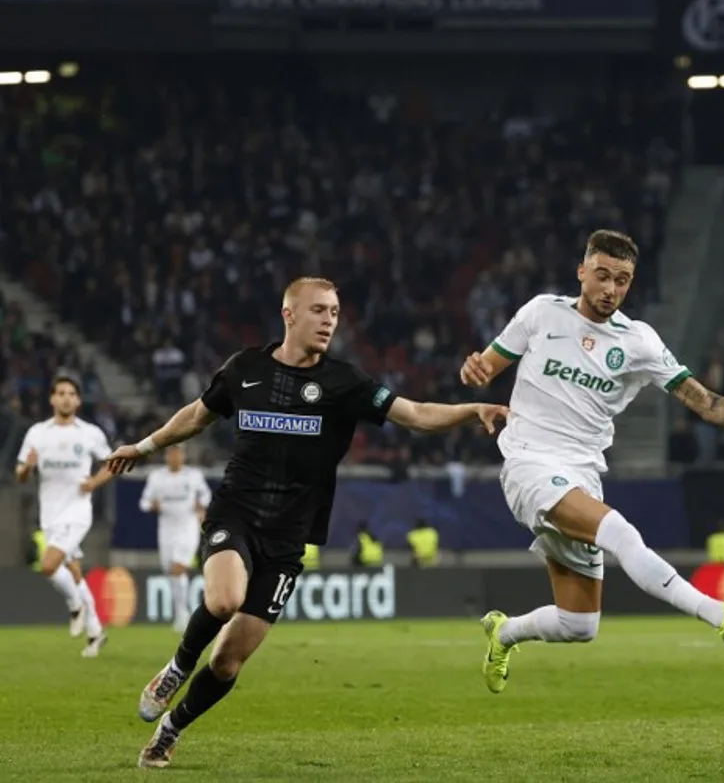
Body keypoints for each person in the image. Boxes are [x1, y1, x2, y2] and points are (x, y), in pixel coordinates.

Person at [106, 277, 508, 769]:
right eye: (318, 310)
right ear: (289, 314)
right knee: (225, 598)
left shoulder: (344, 383)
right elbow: (196, 416)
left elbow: (417, 414)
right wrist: (144, 447)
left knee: (230, 660)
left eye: (335, 313)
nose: (329, 321)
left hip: (290, 537)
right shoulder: (245, 369)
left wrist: (474, 411)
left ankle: (171, 730)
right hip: (236, 511)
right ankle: (174, 668)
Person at [459, 230, 724, 694]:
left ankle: (504, 633)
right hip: (529, 464)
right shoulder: (540, 312)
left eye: (623, 280)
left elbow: (705, 402)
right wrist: (474, 371)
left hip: (583, 475)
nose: (610, 289)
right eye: (602, 276)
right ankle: (721, 614)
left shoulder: (639, 342)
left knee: (578, 624)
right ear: (582, 272)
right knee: (621, 533)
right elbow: (485, 367)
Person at [14, 374, 114, 657]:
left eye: (71, 393)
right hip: (51, 515)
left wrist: (94, 483)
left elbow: (112, 464)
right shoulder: (38, 433)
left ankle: (75, 606)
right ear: (52, 399)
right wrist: (26, 468)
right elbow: (20, 474)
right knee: (73, 572)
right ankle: (95, 632)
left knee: (48, 566)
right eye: (61, 393)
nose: (66, 397)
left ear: (78, 400)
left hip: (78, 512)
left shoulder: (90, 433)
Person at [140, 445, 212, 632]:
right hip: (166, 530)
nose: (175, 457)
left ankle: (182, 615)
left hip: (188, 528)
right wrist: (152, 505)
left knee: (177, 568)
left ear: (183, 456)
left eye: (178, 453)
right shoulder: (157, 477)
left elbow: (205, 495)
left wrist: (201, 506)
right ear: (166, 457)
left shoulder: (193, 476)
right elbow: (144, 502)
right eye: (171, 454)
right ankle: (181, 611)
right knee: (170, 571)